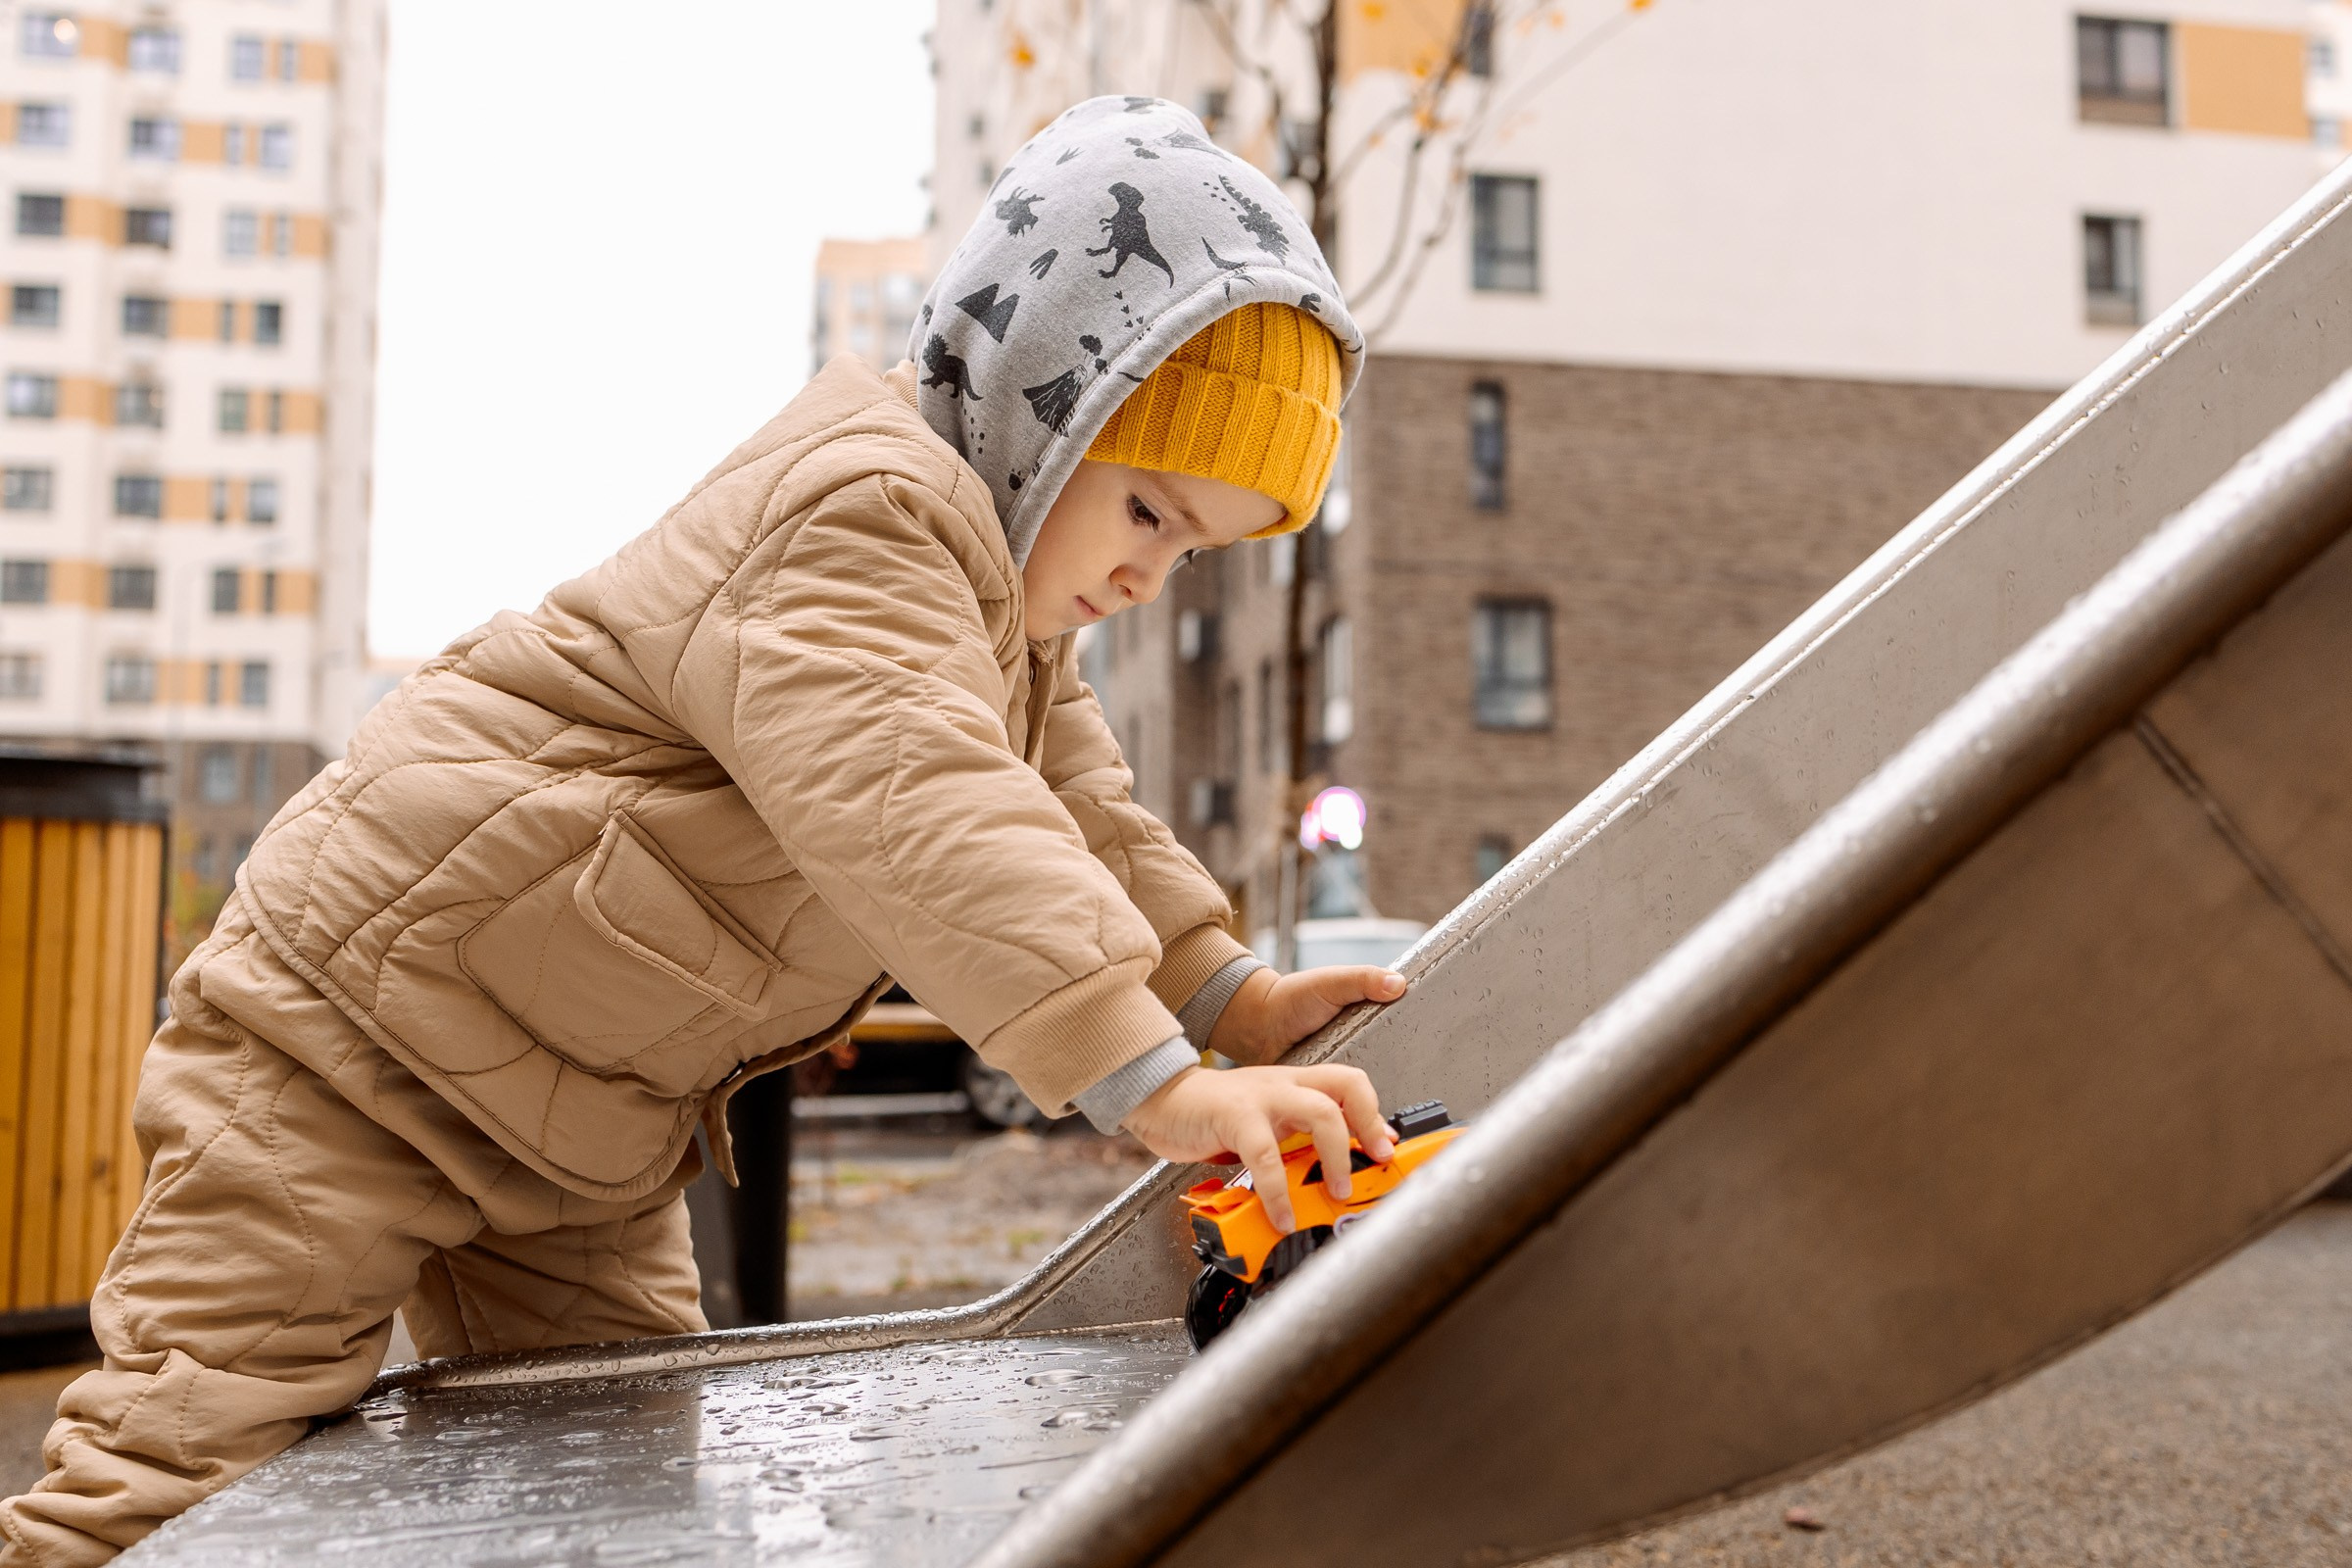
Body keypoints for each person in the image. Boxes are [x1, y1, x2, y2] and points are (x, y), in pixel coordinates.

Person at [0, 96, 1397, 1564]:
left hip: (571, 1148)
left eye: (1190, 548)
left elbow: (1081, 819)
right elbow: (926, 805)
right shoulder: (860, 517)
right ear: (1037, 404)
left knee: (608, 1484)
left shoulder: (1010, 641)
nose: (1149, 575)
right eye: (1146, 511)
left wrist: (1232, 996)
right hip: (350, 1051)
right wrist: (1154, 1083)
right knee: (184, 1471)